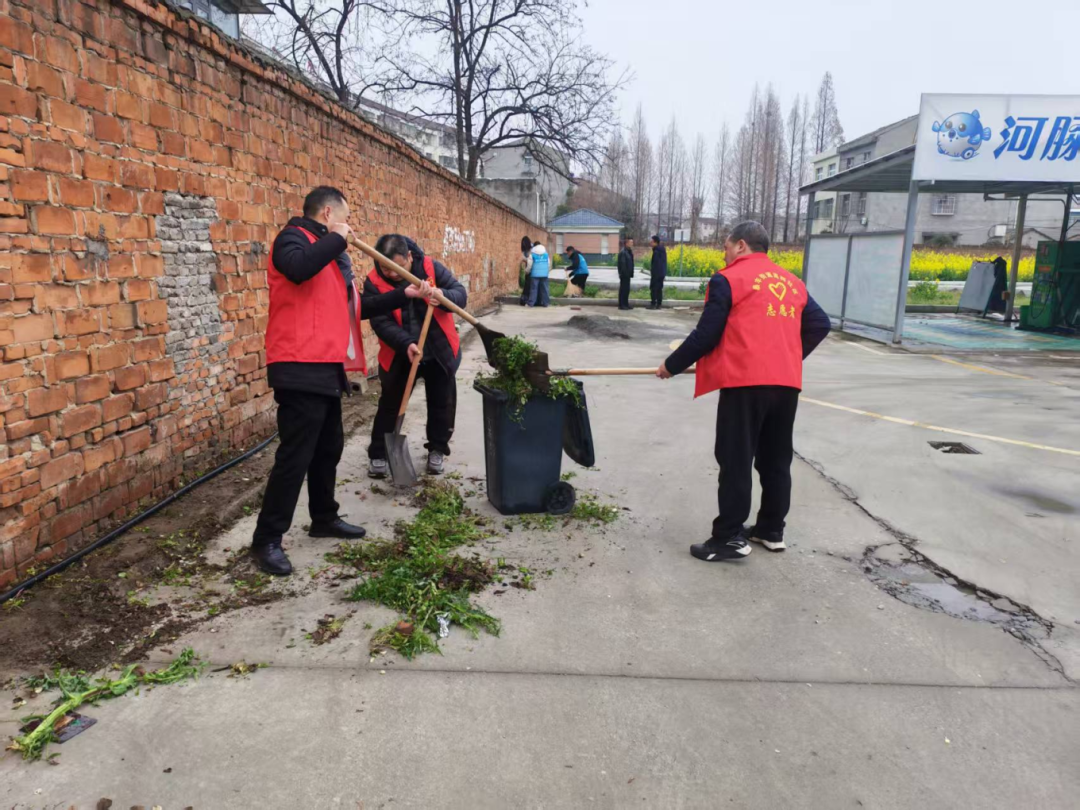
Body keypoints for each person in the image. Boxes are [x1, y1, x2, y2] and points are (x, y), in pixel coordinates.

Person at [252, 187, 433, 576]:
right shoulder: (292, 239)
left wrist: (404, 294)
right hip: (298, 363)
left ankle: (323, 517)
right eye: (345, 219)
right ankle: (267, 538)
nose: (349, 228)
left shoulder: (331, 260)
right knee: (295, 455)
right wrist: (337, 238)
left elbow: (356, 308)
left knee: (328, 447)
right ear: (328, 214)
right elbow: (297, 269)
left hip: (325, 365)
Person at [656, 221, 831, 562]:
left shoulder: (728, 279)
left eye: (726, 246)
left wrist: (671, 365)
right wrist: (788, 357)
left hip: (745, 383)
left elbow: (706, 333)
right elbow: (820, 324)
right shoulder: (792, 282)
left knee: (735, 459)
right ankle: (771, 529)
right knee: (775, 459)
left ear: (740, 245)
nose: (724, 253)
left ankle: (728, 538)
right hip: (785, 384)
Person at [366, 234, 468, 478]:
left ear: (409, 257)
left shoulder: (430, 268)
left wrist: (441, 295)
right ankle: (379, 453)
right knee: (390, 405)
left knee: (442, 403)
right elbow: (380, 322)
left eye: (398, 267)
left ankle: (437, 449)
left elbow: (460, 295)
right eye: (386, 268)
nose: (392, 274)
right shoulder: (373, 281)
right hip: (400, 352)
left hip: (438, 351)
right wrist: (406, 343)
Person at [527, 239, 551, 307]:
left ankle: (531, 303)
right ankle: (546, 303)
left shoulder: (532, 255)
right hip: (544, 274)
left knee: (534, 289)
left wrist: (527, 271)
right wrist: (546, 271)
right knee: (545, 289)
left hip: (535, 274)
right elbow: (548, 264)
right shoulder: (546, 254)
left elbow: (529, 265)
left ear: (534, 247)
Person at [649, 235, 667, 309]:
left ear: (655, 242)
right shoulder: (662, 250)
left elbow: (656, 264)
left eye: (652, 242)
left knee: (654, 288)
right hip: (661, 273)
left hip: (656, 273)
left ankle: (653, 304)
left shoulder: (656, 251)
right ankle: (659, 304)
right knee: (659, 289)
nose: (650, 243)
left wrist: (653, 272)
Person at [617, 237, 635, 310]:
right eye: (631, 242)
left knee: (627, 290)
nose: (632, 244)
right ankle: (622, 305)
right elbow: (623, 264)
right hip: (624, 275)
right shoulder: (623, 252)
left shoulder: (629, 251)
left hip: (628, 274)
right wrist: (624, 273)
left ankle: (626, 304)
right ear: (626, 243)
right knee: (623, 290)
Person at [518, 235, 533, 306]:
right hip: (529, 268)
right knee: (527, 285)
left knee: (528, 285)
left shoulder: (531, 249)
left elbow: (530, 260)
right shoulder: (526, 250)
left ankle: (526, 299)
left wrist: (525, 260)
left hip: (530, 269)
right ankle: (526, 299)